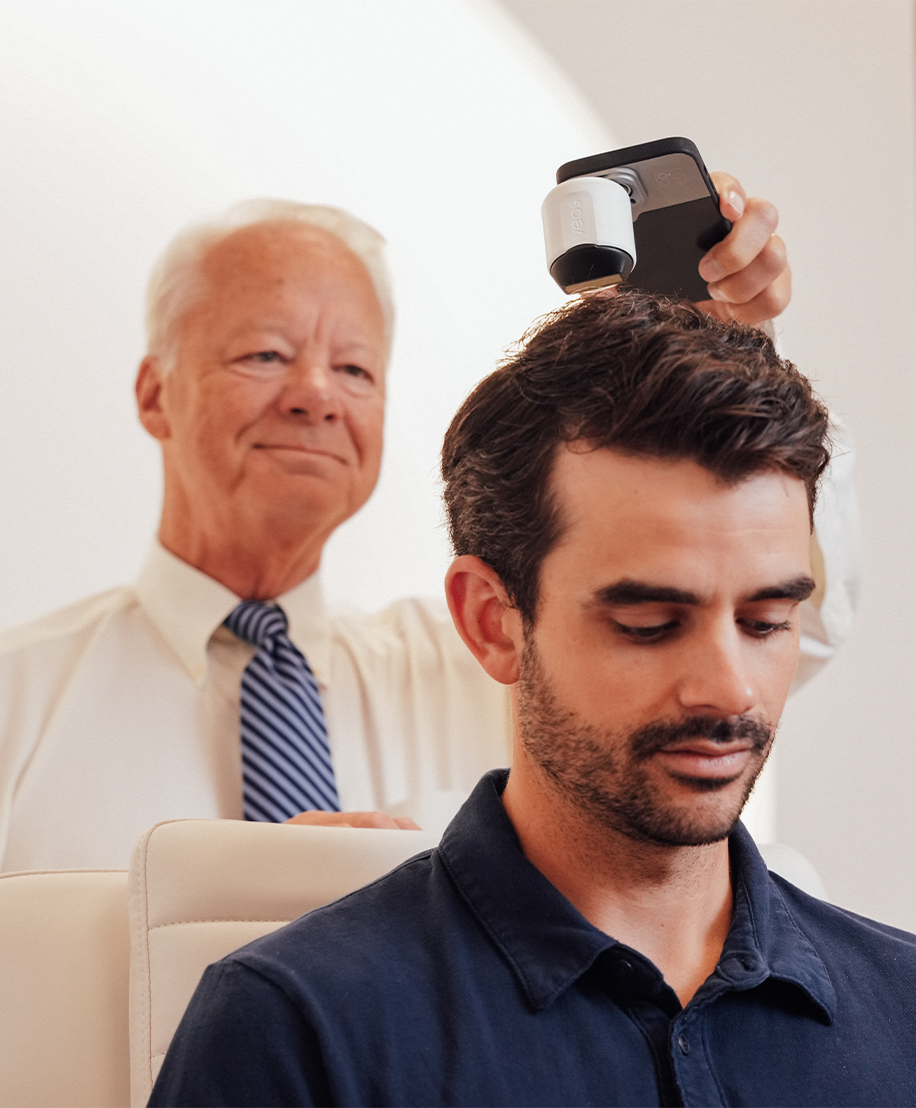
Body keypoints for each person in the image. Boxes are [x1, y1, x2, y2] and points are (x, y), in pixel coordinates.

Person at [150, 292, 910, 1108]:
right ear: (493, 623)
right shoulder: (295, 1028)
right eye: (650, 624)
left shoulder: (902, 1010)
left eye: (766, 621)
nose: (729, 688)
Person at [0, 182, 850, 872]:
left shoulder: (494, 656)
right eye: (265, 355)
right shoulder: (20, 699)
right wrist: (193, 909)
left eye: (354, 368)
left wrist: (733, 359)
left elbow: (783, 619)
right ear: (155, 393)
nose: (315, 395)